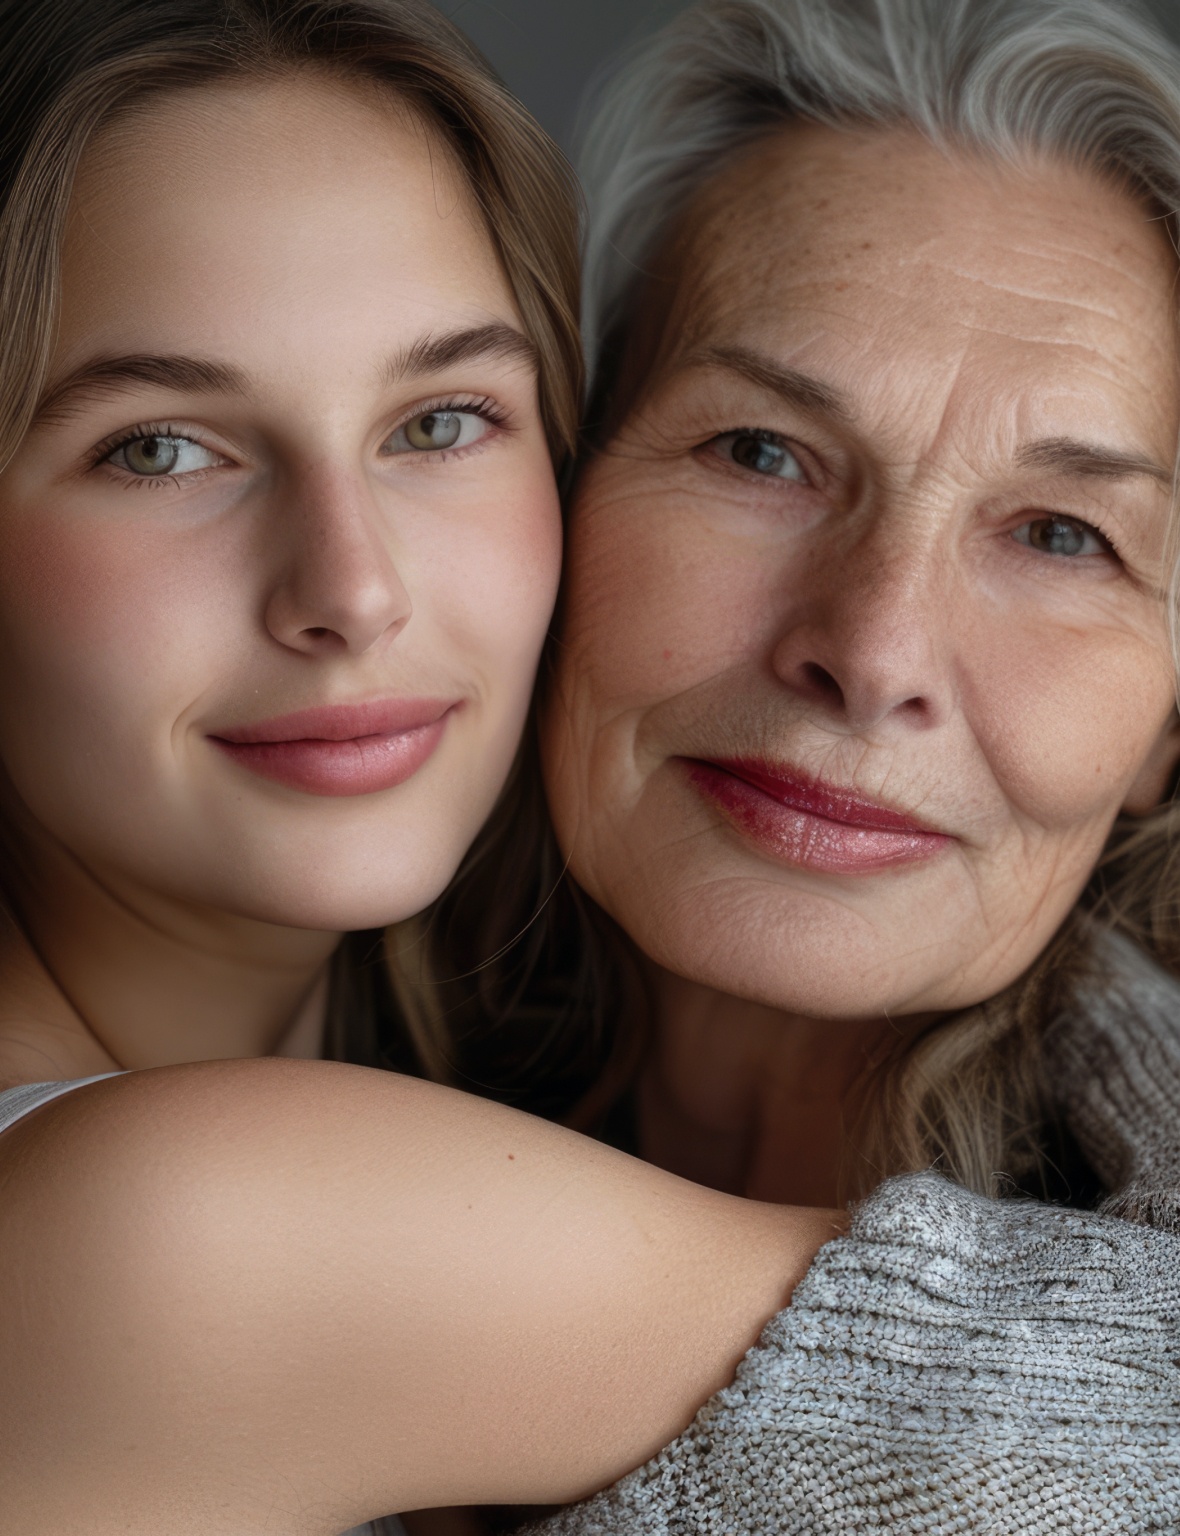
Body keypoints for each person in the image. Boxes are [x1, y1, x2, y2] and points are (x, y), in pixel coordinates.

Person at [4, 0, 1180, 1533]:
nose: (876, 648)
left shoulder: (405, 1080)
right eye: (761, 451)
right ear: (594, 475)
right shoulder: (170, 1229)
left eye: (437, 421)